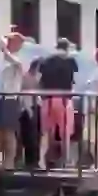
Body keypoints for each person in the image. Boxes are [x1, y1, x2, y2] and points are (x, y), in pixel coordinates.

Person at [36, 38, 79, 168]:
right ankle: (66, 160)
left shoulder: (46, 61)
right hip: (64, 100)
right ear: (67, 48)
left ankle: (42, 160)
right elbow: (73, 80)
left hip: (47, 100)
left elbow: (40, 80)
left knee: (46, 131)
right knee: (65, 133)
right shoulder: (71, 61)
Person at [0, 32, 26, 168]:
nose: (8, 42)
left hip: (10, 98)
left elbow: (13, 62)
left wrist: (4, 50)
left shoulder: (18, 60)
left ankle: (8, 164)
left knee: (8, 131)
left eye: (12, 41)